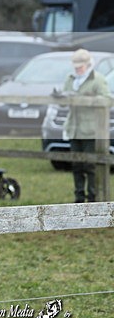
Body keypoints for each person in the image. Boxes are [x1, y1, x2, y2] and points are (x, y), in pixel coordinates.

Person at [62, 48, 110, 203]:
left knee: (90, 166)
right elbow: (64, 100)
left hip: (91, 130)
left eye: (80, 66)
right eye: (75, 66)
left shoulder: (98, 79)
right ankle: (79, 196)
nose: (77, 69)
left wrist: (90, 100)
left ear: (88, 64)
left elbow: (107, 99)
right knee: (76, 165)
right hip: (74, 128)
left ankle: (93, 197)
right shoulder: (70, 79)